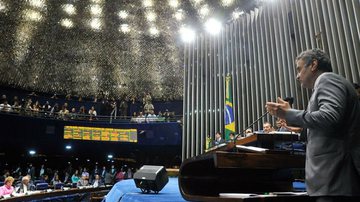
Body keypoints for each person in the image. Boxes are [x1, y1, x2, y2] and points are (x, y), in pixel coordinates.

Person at [265, 49, 360, 201]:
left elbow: (329, 117)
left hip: (336, 179)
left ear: (313, 64)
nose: (297, 76)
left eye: (299, 69)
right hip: (330, 181)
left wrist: (289, 113)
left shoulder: (327, 80)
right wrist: (290, 118)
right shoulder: (323, 86)